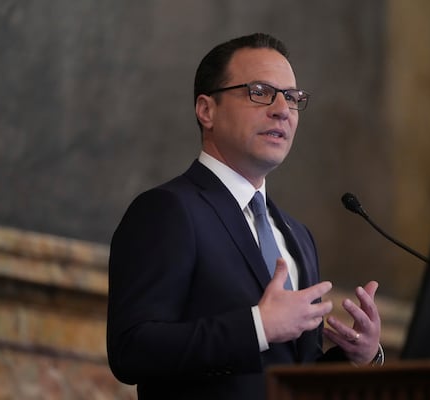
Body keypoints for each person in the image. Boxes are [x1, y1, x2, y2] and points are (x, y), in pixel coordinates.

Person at [107, 33, 382, 400]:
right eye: (260, 92)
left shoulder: (297, 237)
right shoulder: (168, 210)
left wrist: (358, 359)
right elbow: (131, 349)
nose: (282, 109)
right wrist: (257, 327)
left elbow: (289, 373)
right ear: (207, 110)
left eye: (293, 98)